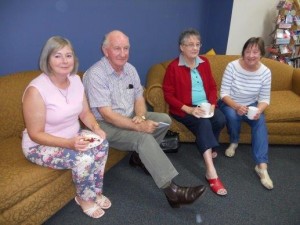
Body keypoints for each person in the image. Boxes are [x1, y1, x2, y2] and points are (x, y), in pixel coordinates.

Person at [83, 30, 206, 208]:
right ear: (105, 50)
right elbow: (107, 115)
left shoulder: (130, 69)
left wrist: (140, 116)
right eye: (117, 48)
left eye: (126, 48)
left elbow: (139, 98)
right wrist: (138, 127)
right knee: (143, 137)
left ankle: (138, 159)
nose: (123, 53)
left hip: (130, 115)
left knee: (164, 120)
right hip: (104, 125)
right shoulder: (96, 74)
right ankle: (172, 191)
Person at [22, 36, 111, 219]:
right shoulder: (36, 90)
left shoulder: (76, 80)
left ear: (74, 59)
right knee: (84, 158)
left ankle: (95, 192)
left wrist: (96, 128)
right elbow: (35, 133)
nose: (64, 61)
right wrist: (68, 143)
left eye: (68, 55)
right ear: (47, 59)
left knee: (102, 144)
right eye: (57, 56)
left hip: (72, 136)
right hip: (39, 145)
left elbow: (84, 113)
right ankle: (84, 198)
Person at [162, 28, 227, 196]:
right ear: (181, 47)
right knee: (204, 123)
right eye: (190, 44)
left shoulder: (204, 62)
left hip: (205, 106)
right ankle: (211, 172)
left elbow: (212, 87)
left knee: (220, 118)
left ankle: (209, 144)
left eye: (198, 44)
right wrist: (189, 109)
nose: (195, 48)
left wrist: (212, 104)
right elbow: (168, 95)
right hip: (184, 109)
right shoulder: (173, 68)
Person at [218, 37, 273, 190]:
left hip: (252, 105)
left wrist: (259, 110)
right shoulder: (232, 66)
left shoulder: (265, 72)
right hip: (230, 102)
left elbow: (264, 99)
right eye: (248, 51)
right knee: (232, 114)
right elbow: (224, 93)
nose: (251, 55)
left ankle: (262, 167)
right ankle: (234, 142)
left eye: (255, 52)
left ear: (261, 54)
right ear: (243, 52)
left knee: (260, 121)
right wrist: (236, 106)